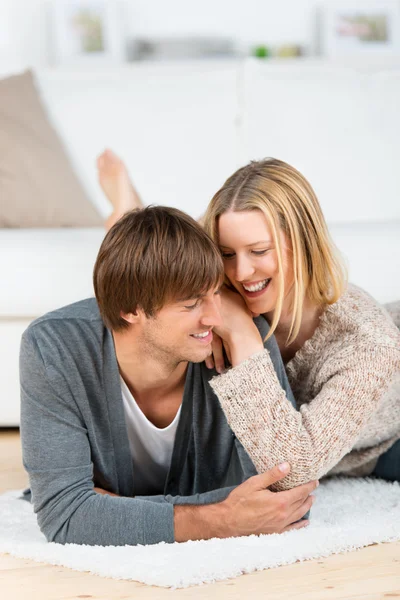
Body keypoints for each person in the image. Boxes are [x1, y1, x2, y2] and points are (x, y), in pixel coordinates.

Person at [96, 150, 400, 489]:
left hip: (383, 445)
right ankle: (126, 209)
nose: (240, 272)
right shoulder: (220, 276)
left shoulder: (370, 345)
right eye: (227, 254)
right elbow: (144, 274)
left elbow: (293, 470)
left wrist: (242, 334)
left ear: (303, 243)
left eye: (259, 252)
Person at [20, 205, 317, 547]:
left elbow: (288, 499)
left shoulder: (244, 340)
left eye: (216, 292)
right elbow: (65, 515)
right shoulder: (54, 347)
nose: (215, 317)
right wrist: (222, 519)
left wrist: (108, 510)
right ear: (130, 310)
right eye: (192, 303)